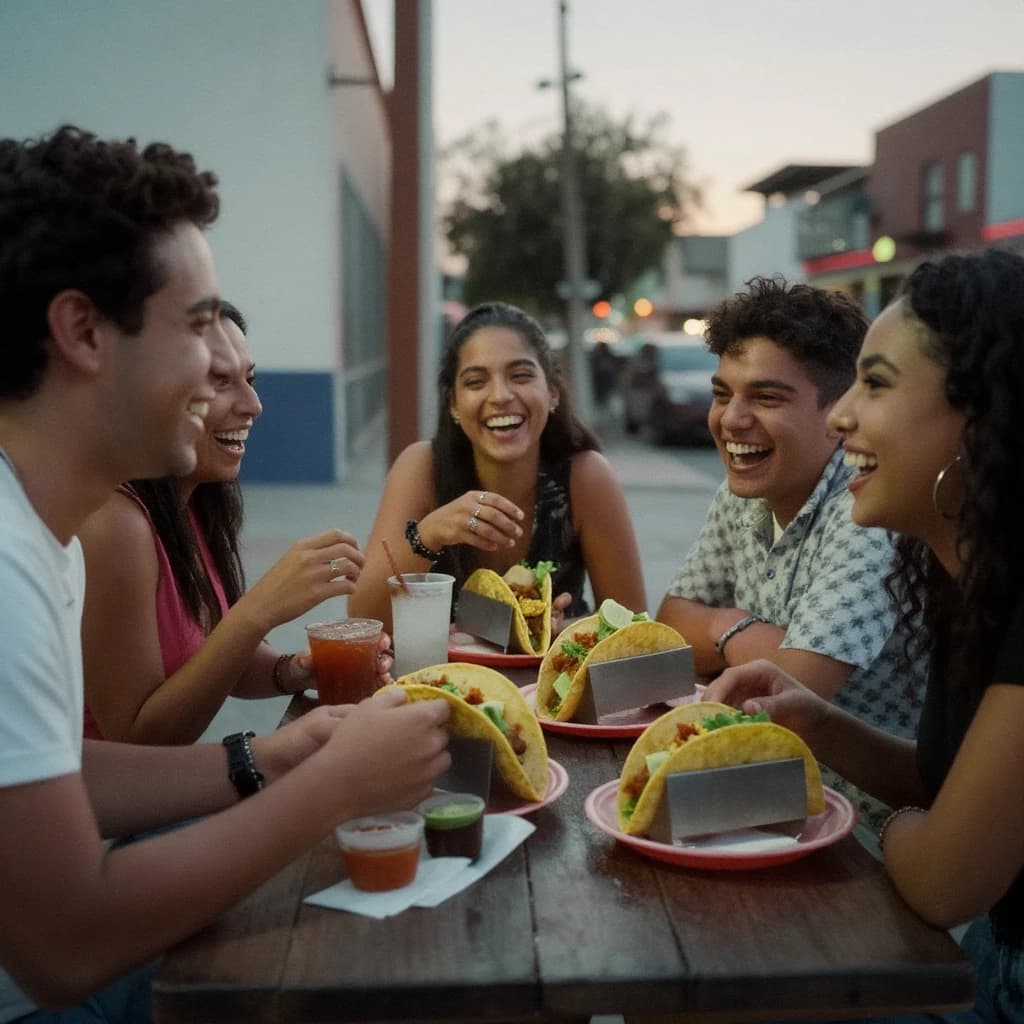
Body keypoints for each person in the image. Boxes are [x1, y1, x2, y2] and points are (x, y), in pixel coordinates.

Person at [0, 125, 449, 1022]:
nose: (220, 374)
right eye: (201, 326)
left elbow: (57, 774)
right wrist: (333, 787)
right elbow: (63, 946)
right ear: (83, 331)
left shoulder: (37, 536)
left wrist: (269, 754)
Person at [705, 248, 1024, 1022]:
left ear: (982, 411)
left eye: (874, 384)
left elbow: (944, 879)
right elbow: (944, 778)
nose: (842, 414)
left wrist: (913, 830)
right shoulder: (963, 577)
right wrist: (816, 722)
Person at [656, 277, 924, 829]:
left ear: (840, 412)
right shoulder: (745, 486)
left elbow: (789, 692)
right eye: (723, 393)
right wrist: (736, 626)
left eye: (767, 397)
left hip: (869, 835)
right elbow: (667, 631)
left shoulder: (866, 508)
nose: (732, 419)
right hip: (763, 798)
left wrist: (719, 633)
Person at [79, 302, 387, 745]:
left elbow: (212, 658)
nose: (254, 405)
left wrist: (296, 669)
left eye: (250, 378)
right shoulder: (116, 524)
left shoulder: (195, 499)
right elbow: (138, 740)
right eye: (220, 382)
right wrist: (258, 611)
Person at [348, 301, 646, 633]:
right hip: (442, 680)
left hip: (548, 681)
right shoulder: (422, 467)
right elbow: (364, 621)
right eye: (476, 382)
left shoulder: (585, 476)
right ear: (454, 405)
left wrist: (559, 631)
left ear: (552, 393)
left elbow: (633, 624)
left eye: (520, 376)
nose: (501, 395)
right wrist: (429, 534)